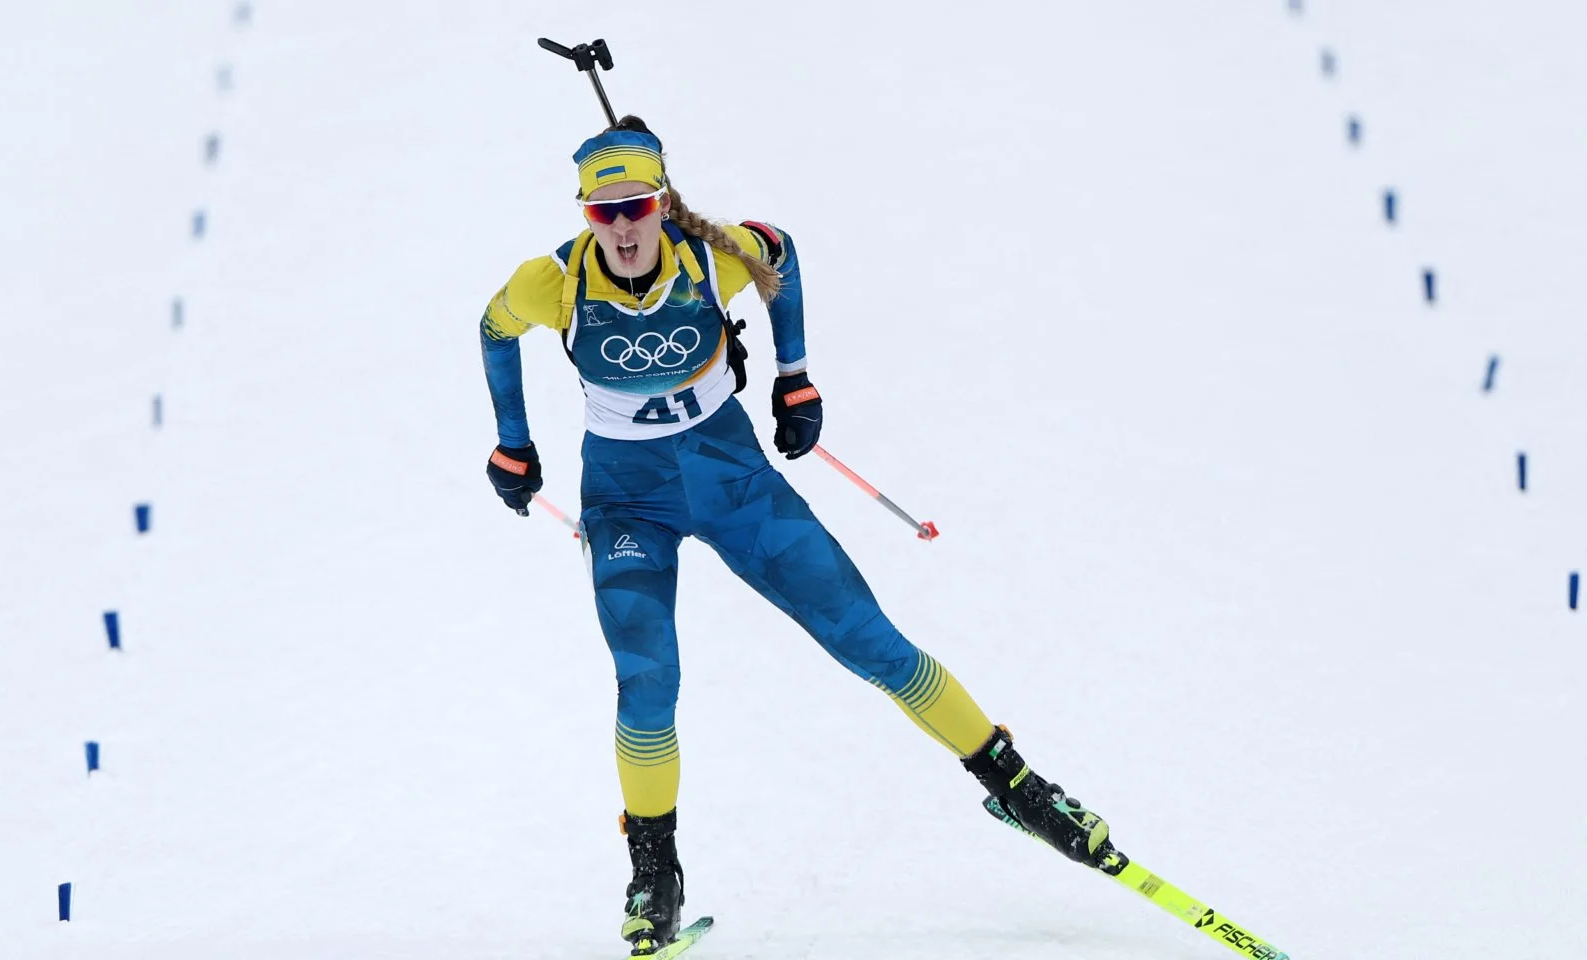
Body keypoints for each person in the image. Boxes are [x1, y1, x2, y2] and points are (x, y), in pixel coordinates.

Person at [478, 117, 1123, 956]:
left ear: (662, 202)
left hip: (735, 485)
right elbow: (494, 328)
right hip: (628, 503)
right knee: (647, 681)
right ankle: (654, 873)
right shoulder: (554, 282)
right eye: (605, 213)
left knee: (870, 641)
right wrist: (513, 442)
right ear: (585, 215)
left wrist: (796, 379)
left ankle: (1018, 788)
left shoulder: (710, 257)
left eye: (637, 206)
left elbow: (778, 253)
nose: (624, 227)